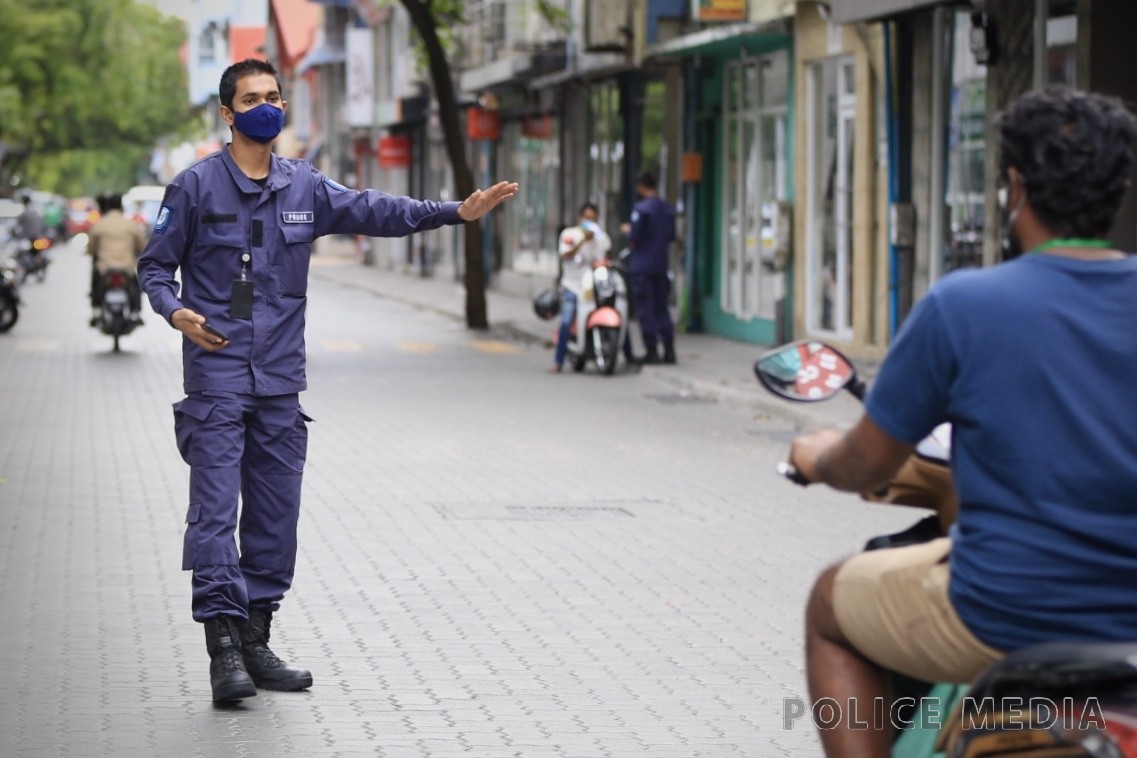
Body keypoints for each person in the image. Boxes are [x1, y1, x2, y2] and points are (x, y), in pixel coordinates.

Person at [137, 58, 518, 704]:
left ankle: (256, 638)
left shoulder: (303, 187)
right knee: (212, 517)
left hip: (281, 383)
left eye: (275, 96)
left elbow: (378, 210)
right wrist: (177, 312)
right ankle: (223, 650)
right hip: (218, 376)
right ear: (227, 113)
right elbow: (154, 269)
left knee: (275, 518)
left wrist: (456, 211)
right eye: (253, 98)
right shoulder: (195, 187)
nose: (268, 106)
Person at [787, 86, 1137, 756]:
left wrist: (817, 456)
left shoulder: (963, 304)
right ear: (1117, 191)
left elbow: (868, 464)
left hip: (999, 615)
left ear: (1014, 188)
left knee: (829, 606)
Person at [620, 172, 676, 364]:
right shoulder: (667, 209)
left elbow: (634, 238)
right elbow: (671, 236)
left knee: (646, 310)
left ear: (642, 186)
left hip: (642, 267)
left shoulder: (641, 209)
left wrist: (628, 231)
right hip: (661, 266)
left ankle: (651, 350)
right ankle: (669, 349)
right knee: (662, 308)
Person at [549, 202, 610, 373]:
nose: (590, 222)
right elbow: (565, 255)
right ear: (580, 218)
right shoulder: (570, 235)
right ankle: (558, 361)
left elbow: (607, 258)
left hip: (595, 286)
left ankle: (627, 355)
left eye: (593, 219)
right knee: (567, 321)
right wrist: (583, 240)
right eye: (586, 218)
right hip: (572, 286)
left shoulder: (602, 237)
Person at [87, 193, 146, 324]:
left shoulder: (100, 224)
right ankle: (136, 312)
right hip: (126, 267)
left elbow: (90, 249)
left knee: (95, 281)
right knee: (136, 286)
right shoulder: (131, 224)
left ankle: (96, 309)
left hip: (105, 268)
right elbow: (142, 245)